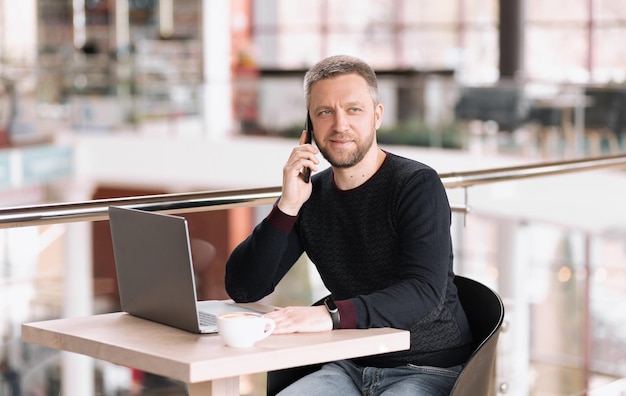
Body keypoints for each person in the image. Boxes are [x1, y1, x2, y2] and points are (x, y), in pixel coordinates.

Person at [225, 55, 473, 396]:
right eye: (325, 112)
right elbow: (243, 288)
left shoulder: (416, 184)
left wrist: (331, 316)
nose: (340, 125)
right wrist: (288, 205)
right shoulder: (311, 195)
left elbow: (423, 292)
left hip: (427, 366)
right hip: (348, 363)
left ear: (377, 116)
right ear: (310, 125)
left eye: (353, 109)